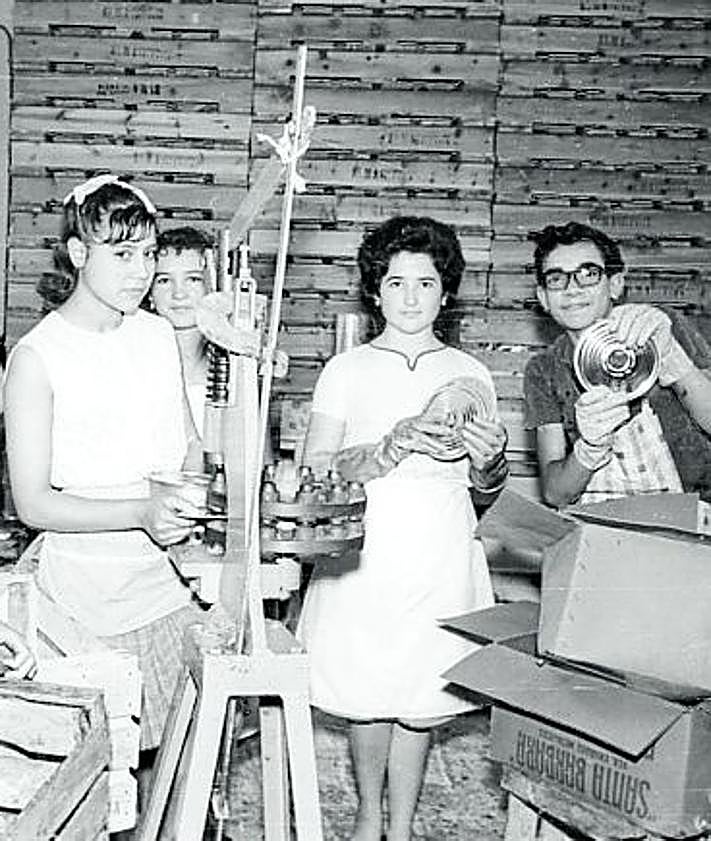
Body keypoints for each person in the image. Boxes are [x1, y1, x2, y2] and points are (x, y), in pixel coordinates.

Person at [297, 216, 508, 841]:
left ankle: (405, 824)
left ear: (447, 293)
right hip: (368, 545)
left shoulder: (472, 372)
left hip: (443, 544)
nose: (411, 297)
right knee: (369, 684)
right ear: (375, 291)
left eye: (426, 282)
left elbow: (486, 490)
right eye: (396, 282)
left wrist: (490, 460)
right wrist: (384, 449)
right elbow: (314, 468)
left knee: (422, 694)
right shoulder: (348, 370)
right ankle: (367, 817)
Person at [3, 174, 206, 803]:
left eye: (148, 253)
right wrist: (141, 510)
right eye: (123, 255)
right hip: (84, 601)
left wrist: (188, 495)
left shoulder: (153, 336)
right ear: (78, 254)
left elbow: (190, 445)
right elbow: (33, 503)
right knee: (92, 780)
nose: (141, 272)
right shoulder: (38, 358)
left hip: (167, 591)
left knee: (175, 773)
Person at [524, 221, 711, 508]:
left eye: (588, 274)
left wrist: (674, 361)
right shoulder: (543, 370)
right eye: (556, 278)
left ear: (615, 284)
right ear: (543, 298)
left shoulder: (663, 326)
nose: (572, 289)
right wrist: (588, 449)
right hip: (602, 531)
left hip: (688, 520)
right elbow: (555, 494)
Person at [146, 226, 214, 436]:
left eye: (193, 279)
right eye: (164, 280)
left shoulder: (232, 367)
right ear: (149, 293)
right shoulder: (134, 362)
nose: (179, 294)